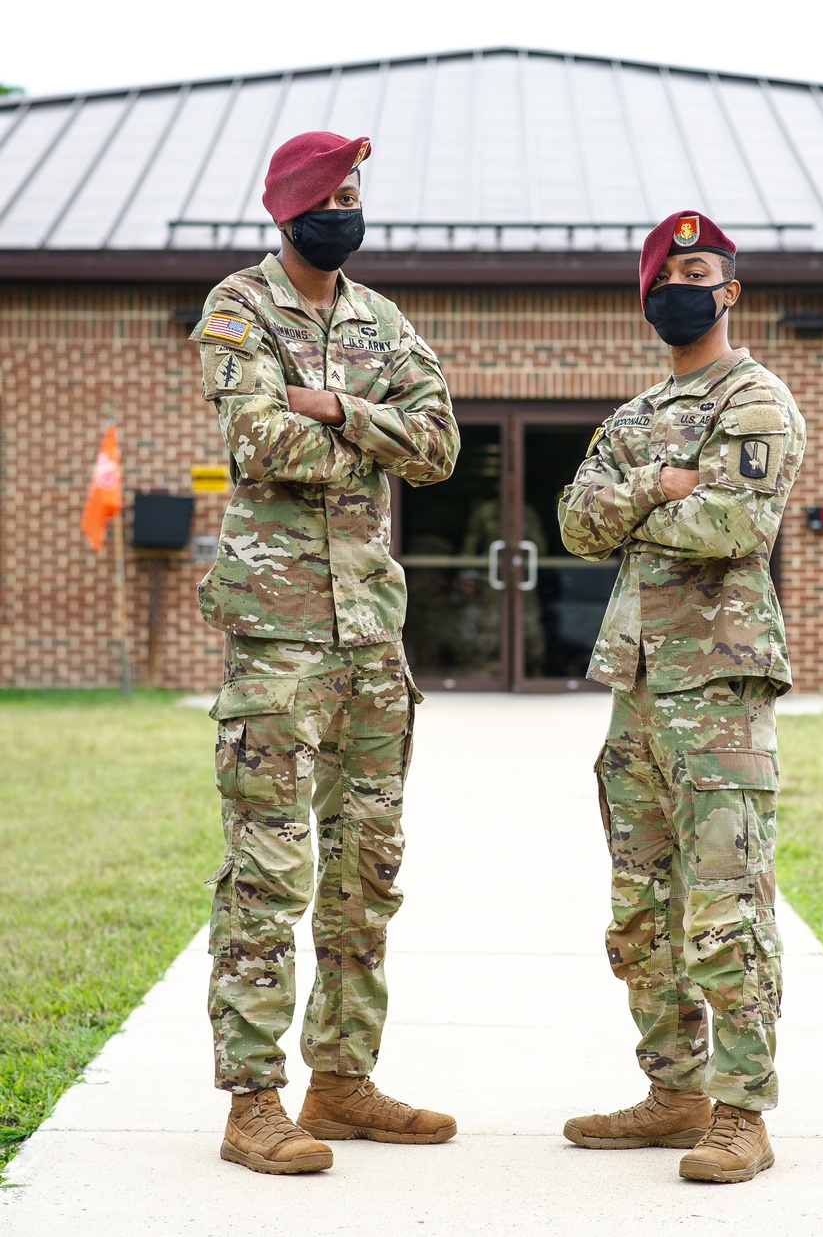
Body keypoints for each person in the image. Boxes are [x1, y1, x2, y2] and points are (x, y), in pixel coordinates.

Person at [191, 131, 460, 1175]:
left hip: (371, 640)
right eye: (331, 194)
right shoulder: (238, 308)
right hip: (279, 634)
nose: (346, 208)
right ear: (288, 206)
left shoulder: (381, 319)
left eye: (356, 192)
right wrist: (372, 427)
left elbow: (439, 445)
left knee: (365, 868)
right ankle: (252, 1100)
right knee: (268, 871)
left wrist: (339, 405)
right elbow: (260, 439)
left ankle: (340, 1081)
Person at [558, 211, 806, 1183]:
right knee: (640, 910)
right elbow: (577, 520)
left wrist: (643, 500)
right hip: (640, 685)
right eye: (665, 270)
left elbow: (735, 522)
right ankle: (674, 1093)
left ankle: (741, 1111)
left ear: (729, 290)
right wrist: (663, 484)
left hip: (720, 683)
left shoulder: (756, 398)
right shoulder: (633, 417)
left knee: (725, 907)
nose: (680, 283)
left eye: (696, 269)